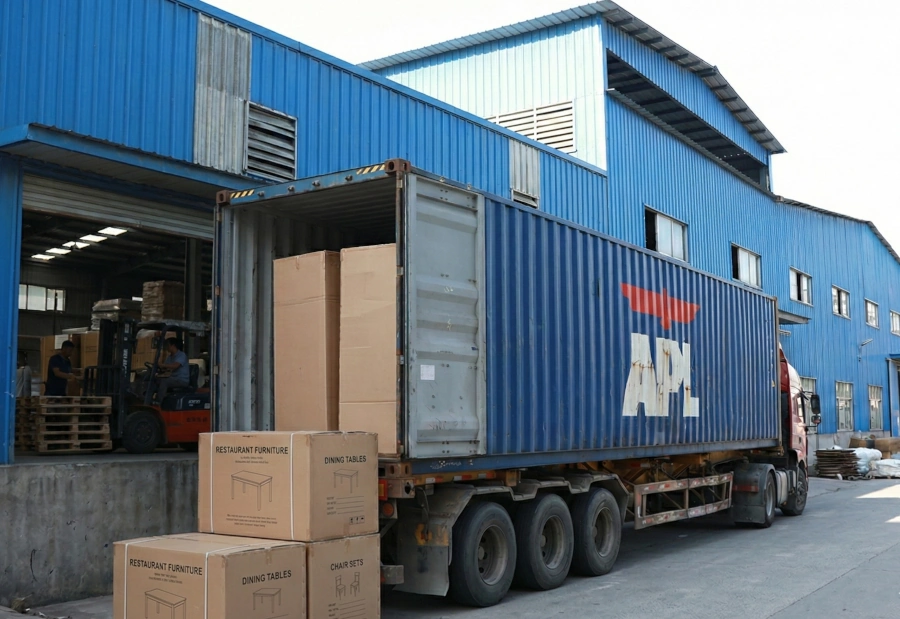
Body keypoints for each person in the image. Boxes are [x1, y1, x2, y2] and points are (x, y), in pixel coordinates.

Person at [155, 337, 190, 403]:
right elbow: (165, 368)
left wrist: (162, 365)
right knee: (155, 380)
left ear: (173, 346)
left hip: (181, 380)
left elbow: (175, 366)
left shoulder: (181, 355)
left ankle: (159, 402)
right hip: (173, 379)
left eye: (167, 345)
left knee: (164, 381)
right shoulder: (170, 357)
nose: (166, 347)